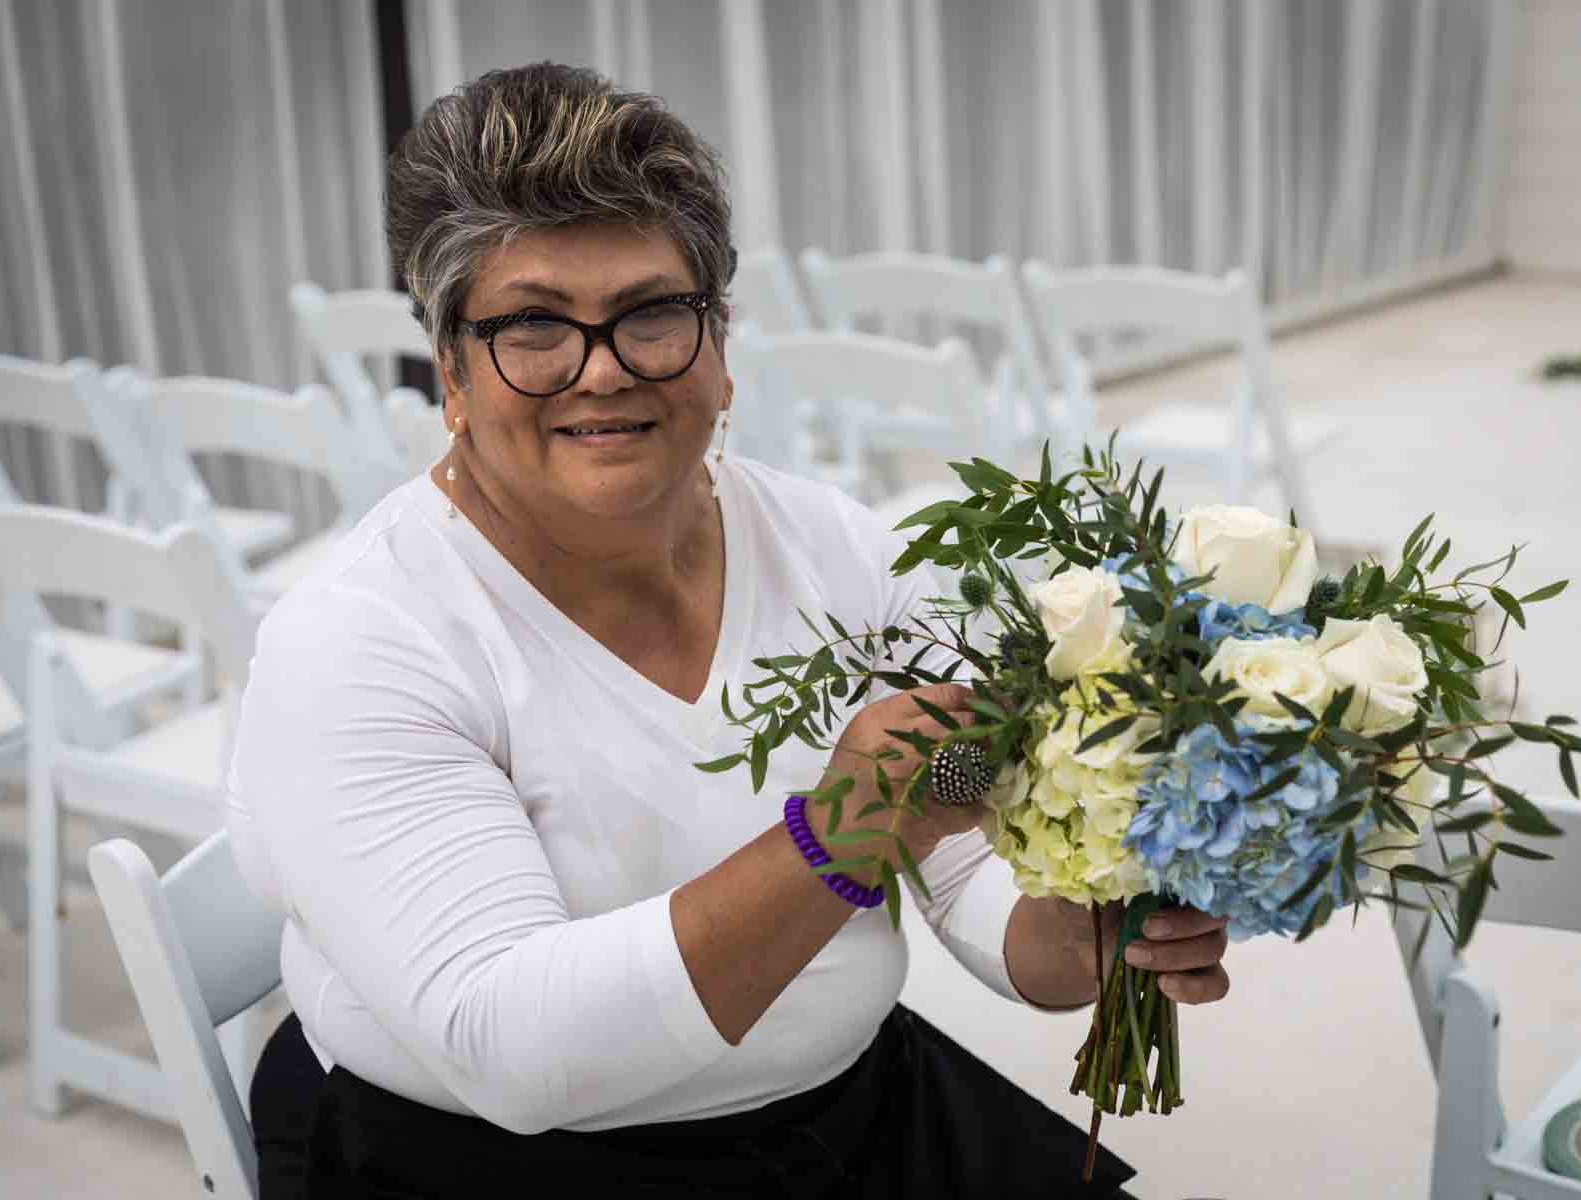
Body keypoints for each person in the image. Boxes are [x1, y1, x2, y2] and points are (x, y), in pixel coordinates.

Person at [226, 62, 1232, 1199]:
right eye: (534, 327)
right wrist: (840, 832)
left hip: (846, 1119)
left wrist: (1085, 916)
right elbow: (512, 1051)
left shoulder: (831, 547)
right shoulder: (361, 642)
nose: (600, 372)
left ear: (719, 347)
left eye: (652, 315)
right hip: (490, 1168)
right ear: (453, 373)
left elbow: (950, 829)